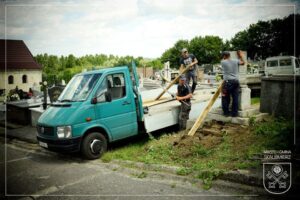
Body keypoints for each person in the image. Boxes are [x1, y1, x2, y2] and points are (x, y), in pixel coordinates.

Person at [221, 51, 245, 117]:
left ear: (224, 56)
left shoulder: (223, 62)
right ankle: (234, 114)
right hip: (236, 82)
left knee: (225, 97)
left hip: (227, 82)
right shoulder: (236, 61)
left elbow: (224, 61)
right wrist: (241, 56)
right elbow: (243, 63)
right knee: (235, 98)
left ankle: (226, 113)